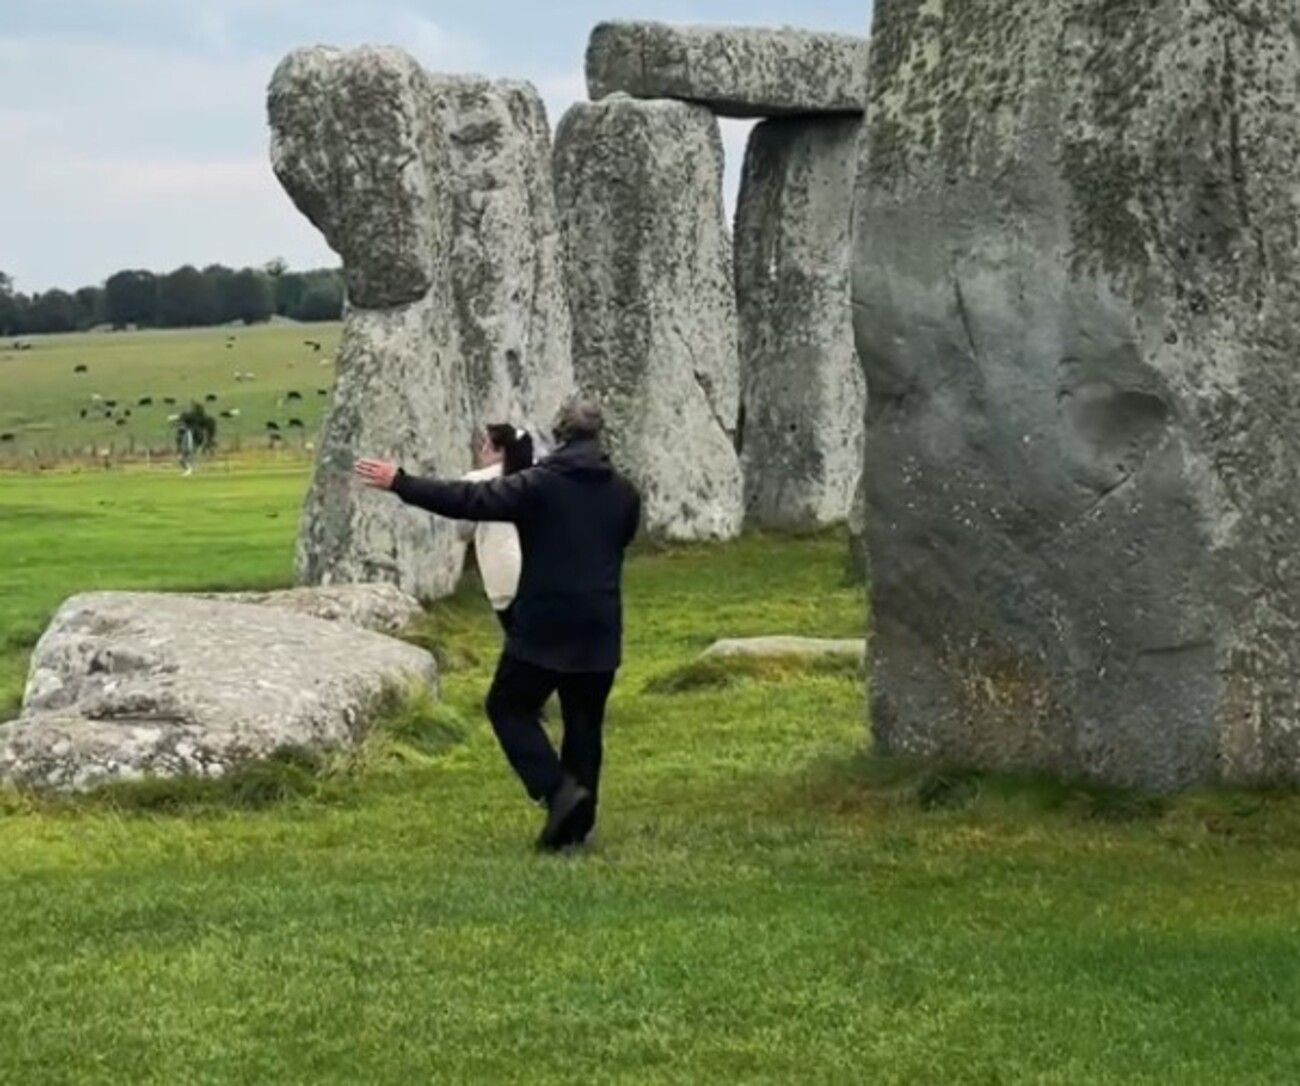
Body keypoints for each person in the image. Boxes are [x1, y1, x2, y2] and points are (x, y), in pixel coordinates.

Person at [355, 399, 641, 852]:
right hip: (601, 623)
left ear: (560, 435)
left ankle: (557, 791)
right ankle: (574, 831)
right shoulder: (623, 492)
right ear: (598, 436)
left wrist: (400, 482)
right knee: (584, 723)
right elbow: (623, 536)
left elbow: (468, 499)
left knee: (508, 707)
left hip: (545, 621)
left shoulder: (540, 486)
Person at [461, 423, 534, 632]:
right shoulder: (541, 477)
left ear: (500, 451)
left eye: (486, 446)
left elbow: (463, 530)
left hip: (504, 574)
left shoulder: (477, 483)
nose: (481, 452)